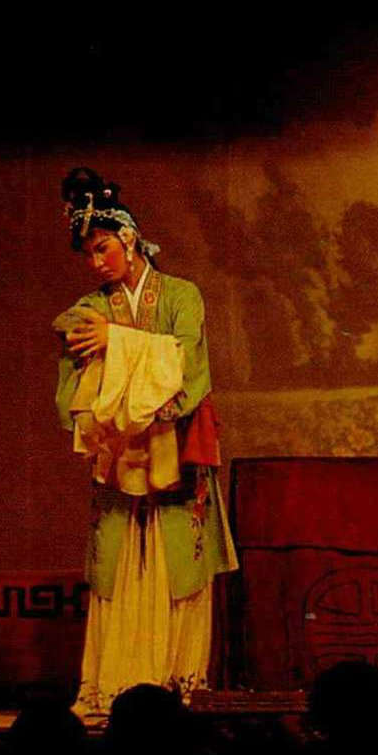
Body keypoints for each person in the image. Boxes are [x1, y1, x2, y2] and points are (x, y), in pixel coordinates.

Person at [53, 167, 238, 715]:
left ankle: (177, 687)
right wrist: (117, 359)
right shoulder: (90, 308)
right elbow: (72, 369)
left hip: (175, 453)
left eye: (103, 248)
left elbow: (188, 367)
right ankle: (115, 689)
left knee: (176, 570)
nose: (96, 262)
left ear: (129, 238)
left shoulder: (182, 296)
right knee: (121, 572)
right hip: (120, 461)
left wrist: (117, 342)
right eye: (89, 254)